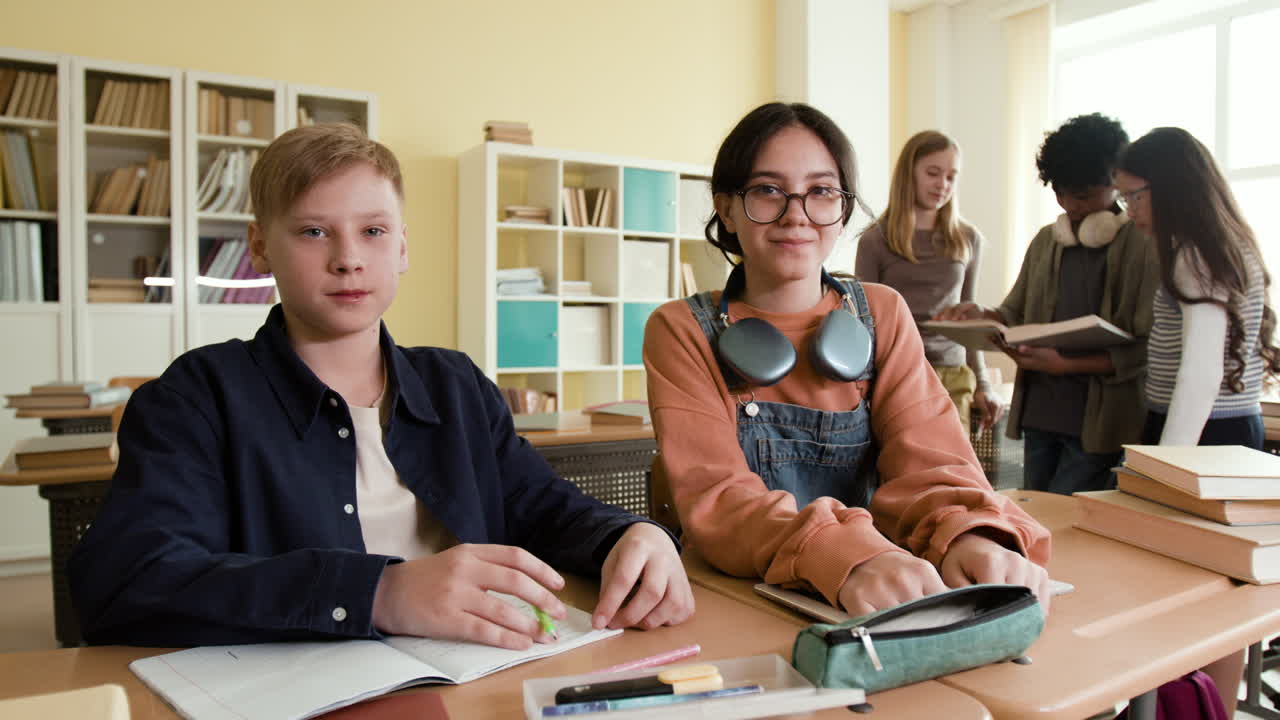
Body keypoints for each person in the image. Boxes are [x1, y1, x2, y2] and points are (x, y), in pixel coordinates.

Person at [69, 123, 692, 648]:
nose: (348, 258)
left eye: (372, 231)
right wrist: (377, 592)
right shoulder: (195, 397)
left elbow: (539, 505)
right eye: (314, 231)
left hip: (475, 679)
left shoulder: (455, 384)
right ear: (260, 247)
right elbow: (127, 581)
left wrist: (630, 535)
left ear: (401, 247)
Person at [643, 102, 1051, 618]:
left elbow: (931, 459)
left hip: (878, 590)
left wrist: (966, 537)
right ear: (726, 208)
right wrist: (840, 554)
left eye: (821, 192)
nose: (797, 214)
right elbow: (719, 497)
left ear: (842, 207)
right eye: (768, 190)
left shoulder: (882, 312)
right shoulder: (680, 330)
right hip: (746, 600)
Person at [936, 113, 1159, 495]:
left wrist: (1066, 364)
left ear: (1115, 184)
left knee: (1071, 534)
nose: (1070, 204)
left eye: (1083, 195)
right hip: (1040, 417)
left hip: (1100, 426)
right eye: (1060, 192)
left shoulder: (1140, 246)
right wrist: (980, 316)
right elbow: (1012, 316)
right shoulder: (1046, 241)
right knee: (1037, 522)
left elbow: (1144, 351)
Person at [1117, 126, 1280, 449]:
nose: (1131, 211)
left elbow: (1201, 373)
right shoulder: (1221, 245)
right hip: (1219, 424)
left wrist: (1166, 465)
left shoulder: (1196, 256)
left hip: (1204, 430)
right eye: (1124, 199)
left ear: (1173, 188)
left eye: (1136, 196)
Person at [855, 130, 1002, 434]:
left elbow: (968, 318)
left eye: (951, 176)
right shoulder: (876, 239)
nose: (943, 185)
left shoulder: (967, 239)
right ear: (909, 174)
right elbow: (863, 320)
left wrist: (983, 384)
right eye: (933, 173)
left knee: (952, 471)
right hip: (896, 371)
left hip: (953, 373)